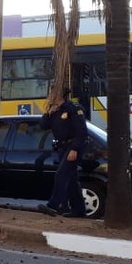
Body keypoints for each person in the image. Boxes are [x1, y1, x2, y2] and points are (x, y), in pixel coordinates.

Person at [38, 88, 88, 218]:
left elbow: (81, 131)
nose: (49, 96)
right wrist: (48, 112)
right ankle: (79, 210)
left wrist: (75, 149)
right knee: (71, 179)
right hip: (61, 147)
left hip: (72, 146)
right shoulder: (54, 110)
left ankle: (54, 206)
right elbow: (43, 126)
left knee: (62, 174)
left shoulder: (73, 108)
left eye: (51, 93)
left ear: (59, 95)